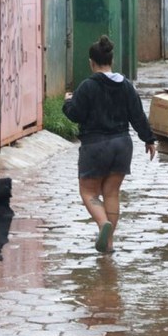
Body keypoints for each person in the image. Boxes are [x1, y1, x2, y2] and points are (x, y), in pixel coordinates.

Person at [63, 35, 156, 253]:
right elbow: (138, 115)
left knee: (89, 192)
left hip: (95, 146)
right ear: (111, 60)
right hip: (122, 145)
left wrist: (68, 101)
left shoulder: (87, 86)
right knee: (112, 193)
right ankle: (110, 242)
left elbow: (75, 115)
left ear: (91, 62)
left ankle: (102, 223)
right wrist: (149, 139)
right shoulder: (126, 85)